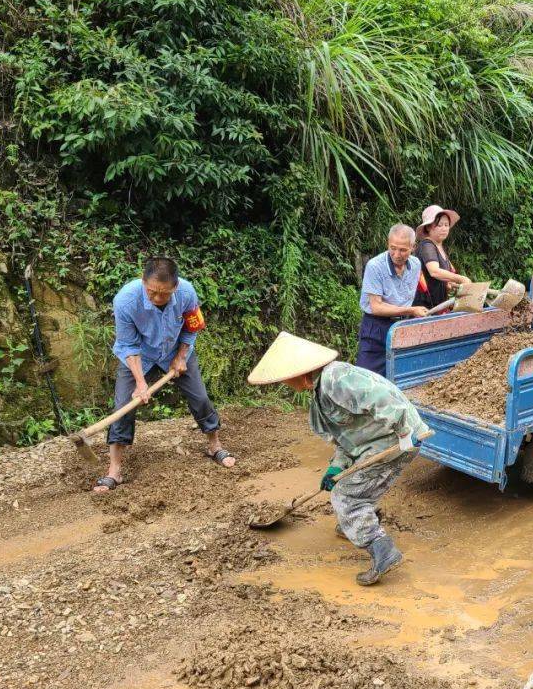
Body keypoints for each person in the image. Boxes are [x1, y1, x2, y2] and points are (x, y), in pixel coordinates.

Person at [248, 331, 429, 585]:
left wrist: (404, 430)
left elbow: (382, 398)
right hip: (374, 443)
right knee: (350, 483)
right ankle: (354, 523)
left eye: (286, 379)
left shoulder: (336, 378)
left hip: (395, 439)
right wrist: (335, 468)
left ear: (299, 373)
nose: (285, 384)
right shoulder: (321, 391)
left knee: (346, 495)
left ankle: (382, 548)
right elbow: (347, 439)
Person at [93, 257, 235, 493]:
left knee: (200, 398)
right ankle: (114, 471)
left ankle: (214, 446)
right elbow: (128, 345)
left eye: (164, 293)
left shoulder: (187, 292)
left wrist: (181, 356)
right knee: (123, 406)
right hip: (140, 356)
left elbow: (192, 326)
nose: (157, 298)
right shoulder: (125, 300)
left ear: (176, 287)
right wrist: (140, 382)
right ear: (143, 281)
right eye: (152, 292)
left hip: (175, 351)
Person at [357, 224, 428, 378]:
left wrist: (410, 314)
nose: (396, 254)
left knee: (399, 379)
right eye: (392, 248)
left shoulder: (415, 264)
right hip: (376, 327)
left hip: (402, 327)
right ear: (387, 244)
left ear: (413, 247)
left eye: (403, 250)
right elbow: (376, 307)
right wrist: (410, 310)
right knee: (366, 379)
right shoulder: (375, 266)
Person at [412, 205, 471, 310]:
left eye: (446, 225)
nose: (444, 228)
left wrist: (448, 284)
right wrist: (461, 278)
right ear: (428, 227)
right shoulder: (427, 245)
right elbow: (434, 271)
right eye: (439, 225)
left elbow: (441, 278)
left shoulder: (439, 246)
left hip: (439, 305)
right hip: (425, 308)